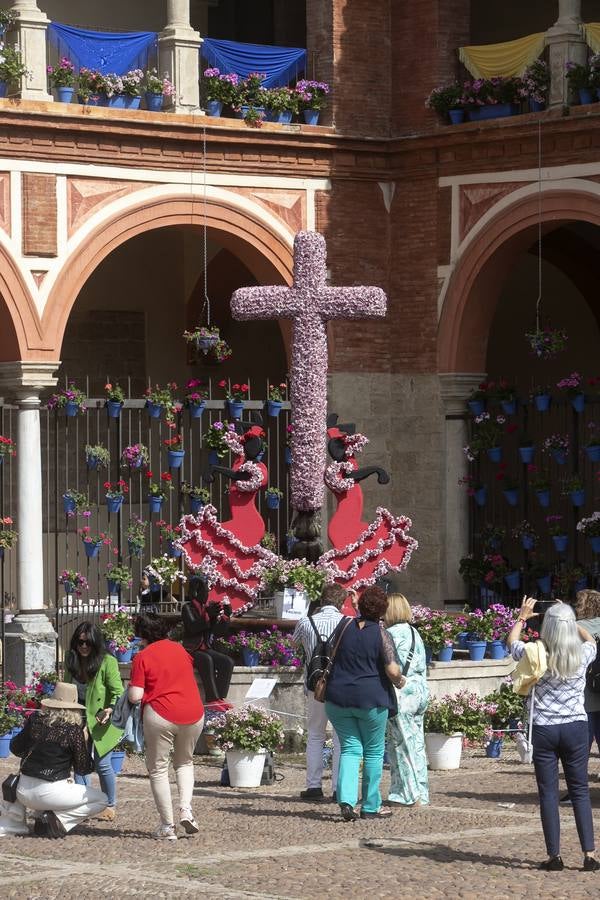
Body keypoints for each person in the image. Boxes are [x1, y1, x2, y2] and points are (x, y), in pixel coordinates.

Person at [508, 597, 600, 872]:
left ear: (547, 628)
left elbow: (511, 642)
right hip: (575, 726)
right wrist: (568, 618)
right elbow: (591, 640)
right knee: (580, 790)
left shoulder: (536, 651)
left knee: (548, 793)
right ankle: (589, 854)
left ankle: (554, 855)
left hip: (544, 727)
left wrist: (523, 617)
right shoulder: (582, 654)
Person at [324, 585, 405, 821]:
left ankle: (347, 802)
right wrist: (400, 679)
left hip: (337, 698)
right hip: (371, 699)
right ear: (382, 612)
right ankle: (370, 805)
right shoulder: (381, 633)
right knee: (373, 751)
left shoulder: (343, 626)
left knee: (350, 748)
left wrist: (357, 603)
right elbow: (391, 669)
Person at [128, 612, 205, 841]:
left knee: (159, 769)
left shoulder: (142, 656)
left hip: (161, 713)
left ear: (142, 634)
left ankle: (167, 826)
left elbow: (135, 695)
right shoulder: (180, 649)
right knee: (184, 762)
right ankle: (186, 810)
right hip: (194, 712)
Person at [0, 682, 107, 838]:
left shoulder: (35, 720)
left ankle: (37, 817)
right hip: (51, 794)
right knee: (102, 800)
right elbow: (83, 768)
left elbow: (15, 748)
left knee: (57, 788)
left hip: (22, 791)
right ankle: (56, 820)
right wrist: (85, 742)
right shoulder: (73, 730)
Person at [63, 621, 124, 822]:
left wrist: (109, 709)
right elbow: (65, 688)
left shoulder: (108, 661)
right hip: (77, 718)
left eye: (88, 643)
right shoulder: (71, 659)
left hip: (102, 720)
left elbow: (118, 692)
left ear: (96, 643)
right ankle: (84, 805)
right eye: (80, 643)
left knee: (103, 764)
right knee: (80, 764)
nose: (83, 647)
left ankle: (110, 804)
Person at [292, 582, 346, 801]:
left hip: (316, 686)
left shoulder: (306, 621)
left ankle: (314, 786)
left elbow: (295, 645)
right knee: (342, 737)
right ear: (341, 602)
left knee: (315, 735)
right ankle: (338, 788)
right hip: (341, 685)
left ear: (321, 600)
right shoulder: (347, 623)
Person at [384, 593, 429, 806]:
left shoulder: (389, 634)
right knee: (417, 744)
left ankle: (408, 794)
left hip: (401, 693)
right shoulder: (414, 633)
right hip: (419, 691)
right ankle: (422, 790)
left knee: (400, 746)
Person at [181, 575, 234, 702]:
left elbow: (217, 631)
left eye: (207, 591)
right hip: (192, 649)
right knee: (206, 660)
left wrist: (226, 616)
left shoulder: (208, 608)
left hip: (205, 647)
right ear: (196, 592)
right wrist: (207, 615)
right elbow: (193, 627)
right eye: (204, 591)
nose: (206, 595)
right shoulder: (187, 608)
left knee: (227, 662)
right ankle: (212, 699)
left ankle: (220, 697)